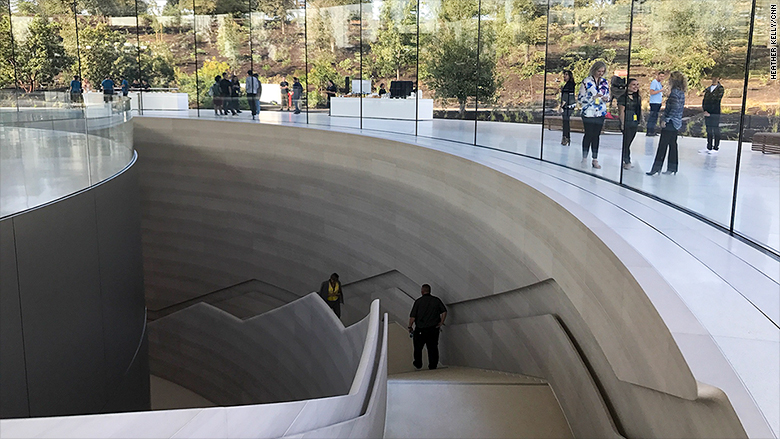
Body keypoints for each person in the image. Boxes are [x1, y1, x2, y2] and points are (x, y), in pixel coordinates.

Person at [647, 71, 686, 176]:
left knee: (663, 145)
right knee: (673, 144)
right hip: (677, 122)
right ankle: (672, 167)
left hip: (671, 122)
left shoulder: (674, 93)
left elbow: (674, 107)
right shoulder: (681, 92)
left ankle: (656, 168)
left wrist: (666, 119)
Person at [577, 60, 610, 169]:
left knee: (596, 136)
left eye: (602, 71)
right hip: (588, 112)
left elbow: (608, 96)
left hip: (600, 112)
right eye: (599, 71)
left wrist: (606, 98)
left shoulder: (605, 82)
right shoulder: (586, 81)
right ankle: (584, 157)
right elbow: (580, 98)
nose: (600, 73)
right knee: (588, 134)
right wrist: (592, 97)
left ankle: (595, 158)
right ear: (594, 70)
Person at [408, 284, 447, 370]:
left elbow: (412, 317)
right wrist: (441, 322)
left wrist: (410, 326)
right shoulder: (436, 300)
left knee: (418, 347)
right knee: (433, 347)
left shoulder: (418, 302)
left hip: (421, 329)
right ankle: (433, 365)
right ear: (430, 291)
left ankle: (418, 363)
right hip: (433, 329)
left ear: (422, 292)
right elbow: (444, 311)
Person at [618, 78, 642, 170]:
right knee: (626, 142)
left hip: (634, 122)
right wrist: (622, 123)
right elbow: (621, 111)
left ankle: (626, 159)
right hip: (627, 121)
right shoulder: (623, 98)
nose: (636, 87)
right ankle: (627, 160)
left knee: (629, 142)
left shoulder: (637, 97)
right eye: (633, 85)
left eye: (637, 85)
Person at [701, 70, 724, 154]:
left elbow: (716, 101)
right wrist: (705, 110)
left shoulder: (720, 89)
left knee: (715, 129)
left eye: (716, 78)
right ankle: (709, 146)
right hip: (707, 112)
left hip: (715, 112)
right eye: (713, 77)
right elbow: (705, 100)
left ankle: (716, 147)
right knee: (708, 129)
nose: (714, 79)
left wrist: (710, 112)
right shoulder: (708, 89)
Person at [559, 70, 576, 146]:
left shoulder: (569, 85)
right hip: (568, 105)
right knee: (566, 122)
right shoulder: (568, 84)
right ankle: (566, 137)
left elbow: (566, 96)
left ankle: (566, 137)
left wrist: (561, 106)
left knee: (565, 122)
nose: (564, 76)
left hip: (567, 105)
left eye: (566, 75)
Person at [647, 71, 665, 136]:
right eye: (661, 76)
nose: (662, 78)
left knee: (655, 117)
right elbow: (651, 92)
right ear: (657, 75)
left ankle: (652, 130)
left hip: (658, 102)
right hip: (654, 102)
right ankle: (649, 131)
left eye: (663, 76)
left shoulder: (659, 83)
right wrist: (660, 90)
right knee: (652, 116)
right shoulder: (654, 82)